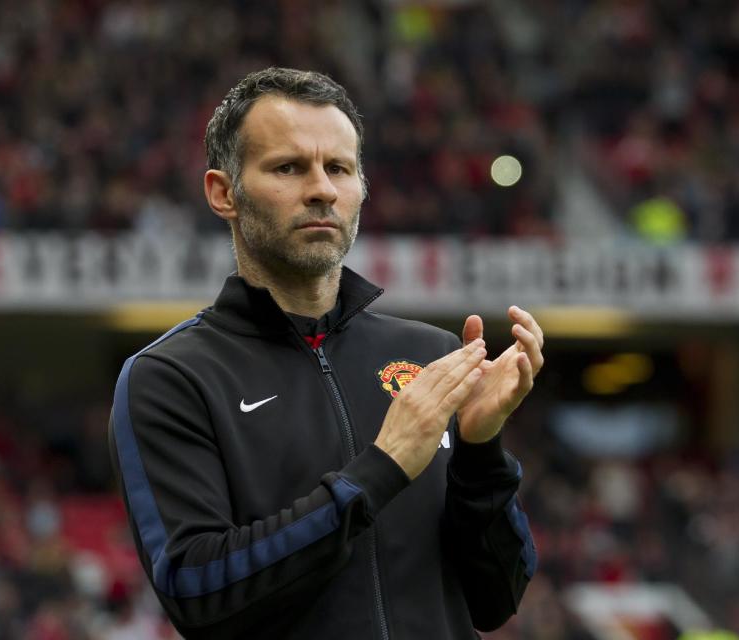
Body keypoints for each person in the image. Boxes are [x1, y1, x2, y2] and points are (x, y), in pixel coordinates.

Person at [109, 67, 542, 639]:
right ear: (223, 193)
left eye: (338, 168)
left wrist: (483, 451)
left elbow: (497, 597)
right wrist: (382, 468)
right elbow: (198, 589)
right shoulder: (171, 377)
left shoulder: (431, 357)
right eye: (289, 167)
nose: (322, 189)